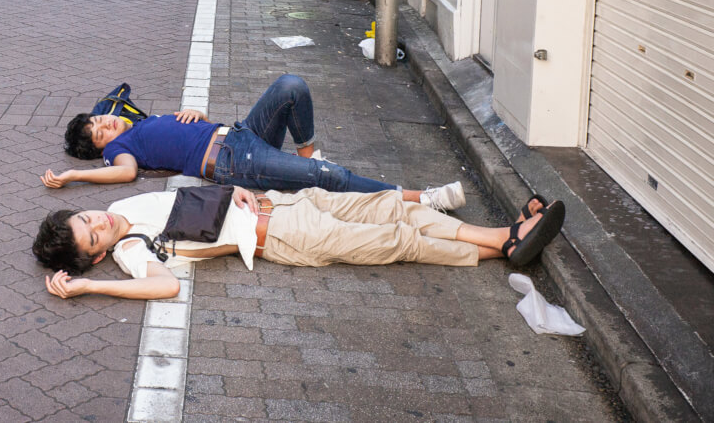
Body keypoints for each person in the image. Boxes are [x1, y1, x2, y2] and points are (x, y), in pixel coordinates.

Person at [33, 187, 566, 300]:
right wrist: (86, 288)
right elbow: (168, 287)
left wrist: (233, 189)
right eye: (93, 232)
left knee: (391, 206)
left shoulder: (123, 209)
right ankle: (505, 240)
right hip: (285, 235)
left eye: (87, 216)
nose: (100, 219)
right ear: (97, 253)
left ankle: (505, 238)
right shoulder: (131, 255)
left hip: (283, 201)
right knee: (394, 240)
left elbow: (185, 196)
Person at [42, 74, 466, 212]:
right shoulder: (119, 152)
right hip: (233, 163)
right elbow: (127, 173)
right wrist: (77, 175)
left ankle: (308, 157)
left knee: (290, 86)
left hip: (240, 133)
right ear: (101, 147)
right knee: (329, 177)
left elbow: (179, 132)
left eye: (102, 119)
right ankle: (419, 199)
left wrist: (199, 115)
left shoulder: (139, 122)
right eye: (100, 132)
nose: (108, 125)